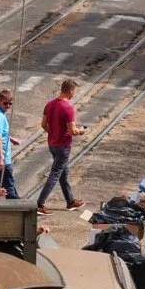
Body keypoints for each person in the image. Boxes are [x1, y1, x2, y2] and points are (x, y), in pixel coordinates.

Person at [36, 78, 85, 214]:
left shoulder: (50, 104)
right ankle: (40, 203)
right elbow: (73, 130)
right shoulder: (68, 108)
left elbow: (43, 125)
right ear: (70, 92)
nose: (74, 94)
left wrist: (53, 133)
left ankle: (70, 201)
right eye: (74, 92)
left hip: (52, 144)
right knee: (56, 173)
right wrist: (81, 131)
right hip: (63, 145)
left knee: (64, 172)